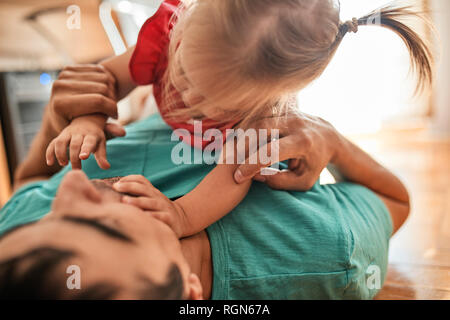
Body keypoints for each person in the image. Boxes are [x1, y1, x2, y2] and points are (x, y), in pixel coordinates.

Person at [44, 0, 432, 242]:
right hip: (167, 130)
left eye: (211, 99)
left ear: (265, 100)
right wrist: (89, 120)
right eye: (185, 74)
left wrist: (182, 215)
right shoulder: (167, 30)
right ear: (185, 26)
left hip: (223, 152)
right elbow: (109, 77)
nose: (190, 97)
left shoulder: (265, 116)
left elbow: (235, 173)